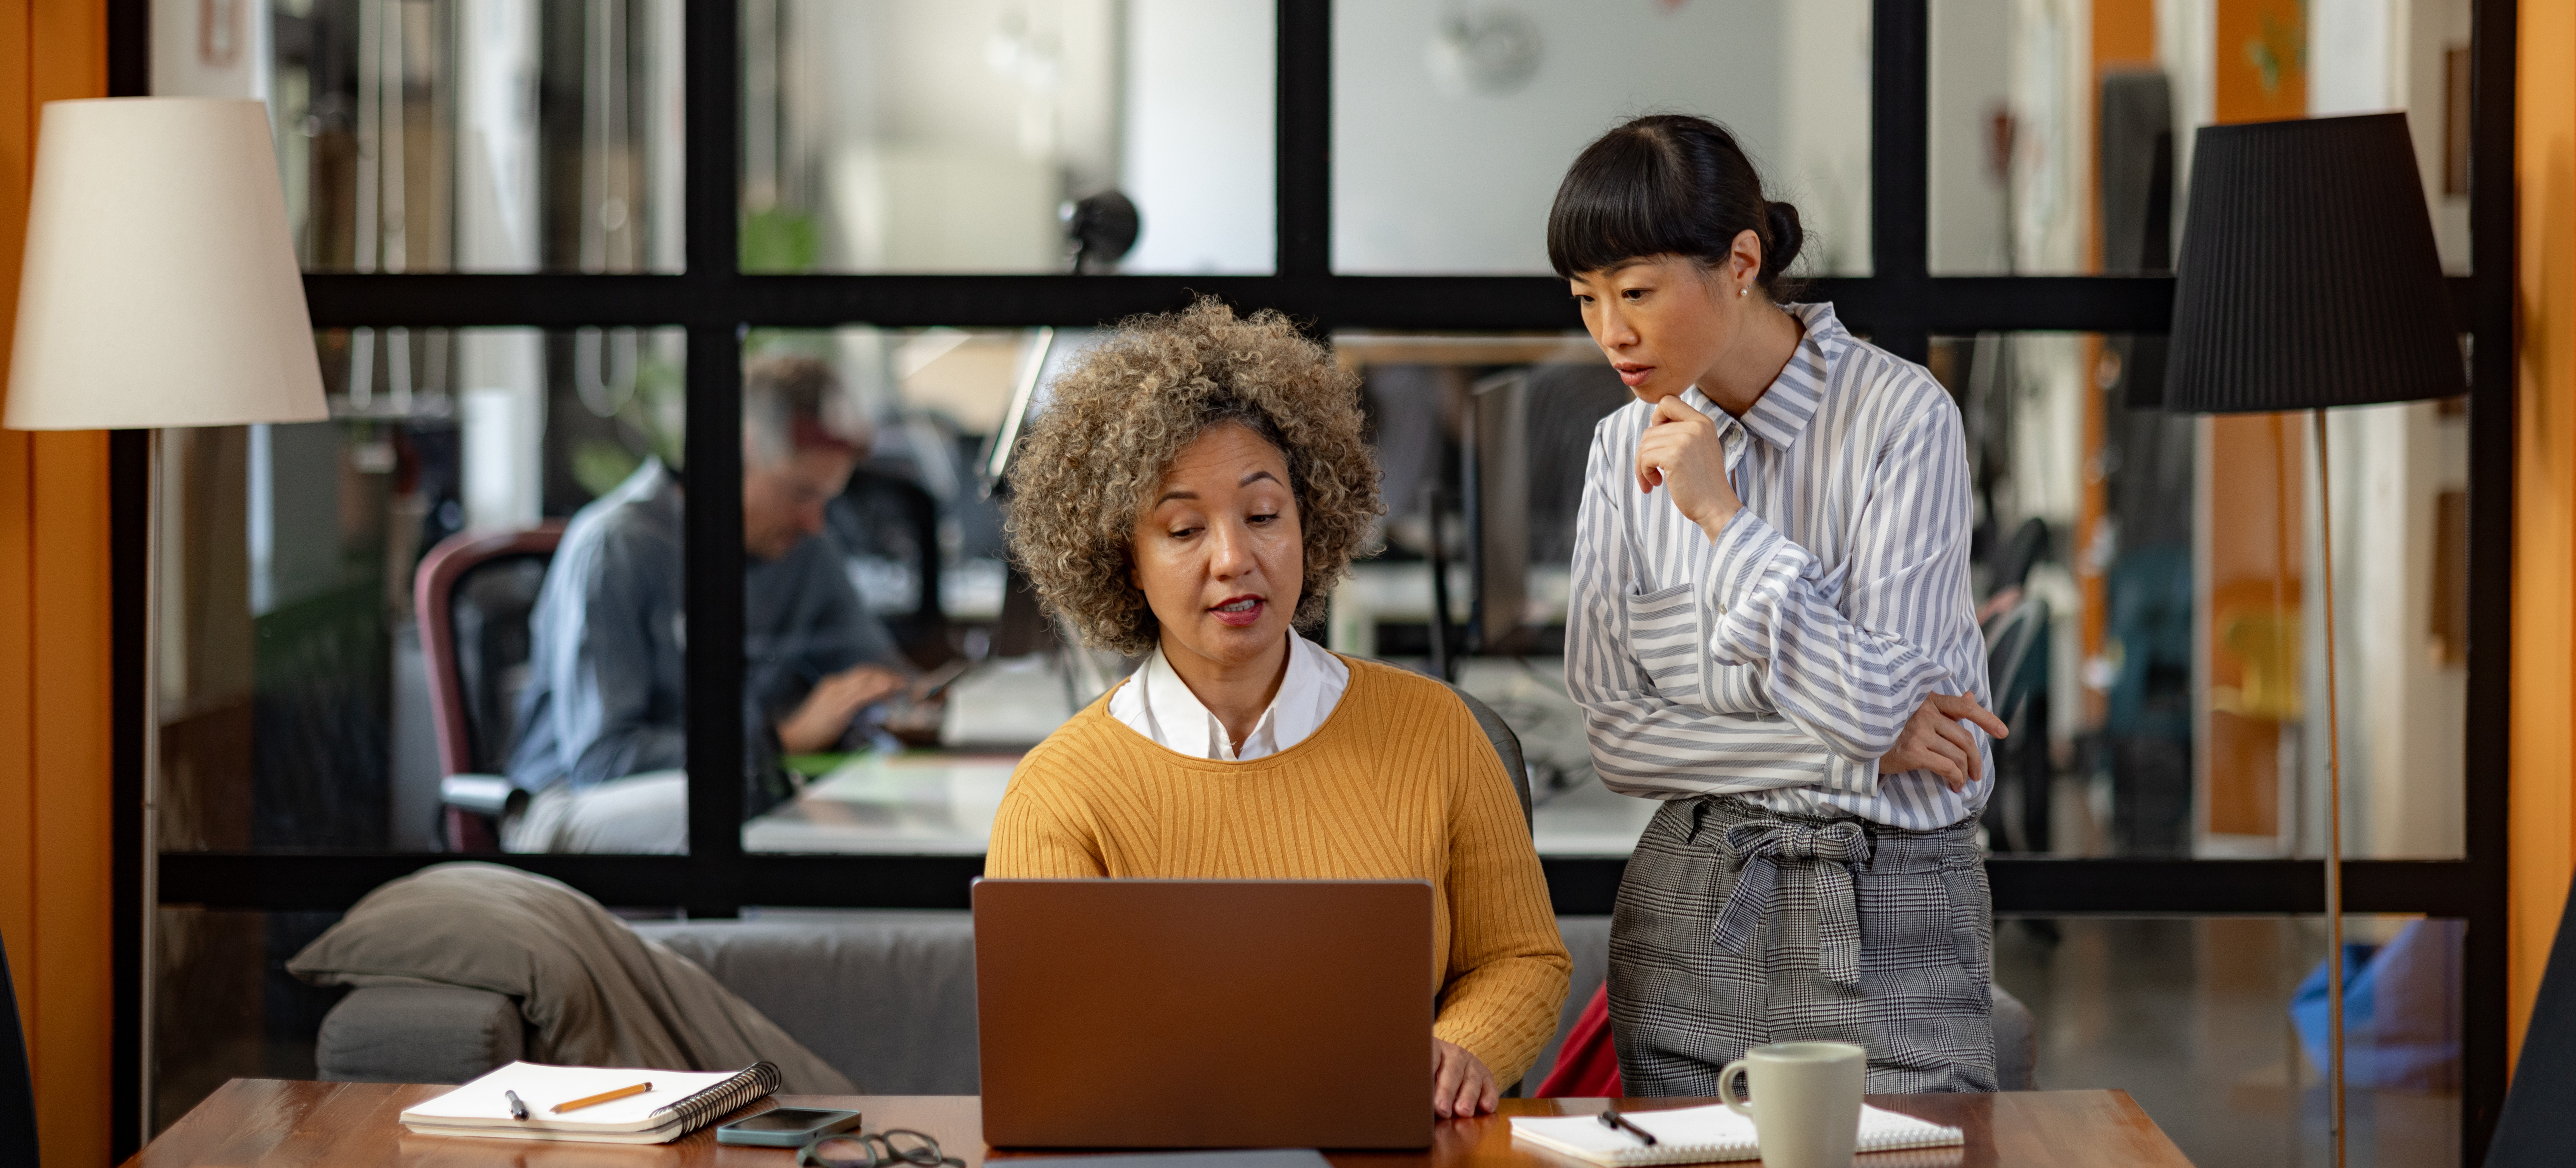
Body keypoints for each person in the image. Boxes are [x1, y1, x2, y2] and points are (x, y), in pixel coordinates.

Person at [988, 298, 1571, 1119]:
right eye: (1185, 530)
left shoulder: (1437, 730)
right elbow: (1048, 1046)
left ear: (1312, 521)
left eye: (1264, 516)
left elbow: (1520, 957)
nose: (1235, 559)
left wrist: (1464, 1049)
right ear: (1126, 559)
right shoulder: (1060, 791)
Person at [1553, 115, 2011, 1094]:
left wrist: (1723, 519)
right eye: (1586, 298)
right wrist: (1849, 750)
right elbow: (1621, 741)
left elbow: (1877, 707)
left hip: (1891, 903)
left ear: (1741, 262)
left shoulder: (1900, 417)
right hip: (1691, 903)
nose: (1610, 333)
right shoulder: (1613, 448)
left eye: (1635, 292)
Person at [503, 357, 913, 853]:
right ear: (737, 454)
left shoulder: (804, 549)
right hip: (572, 806)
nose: (815, 522)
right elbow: (603, 759)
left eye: (827, 497)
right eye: (801, 493)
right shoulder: (617, 547)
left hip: (738, 788)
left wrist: (901, 703)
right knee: (728, 807)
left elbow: (877, 671)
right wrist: (776, 740)